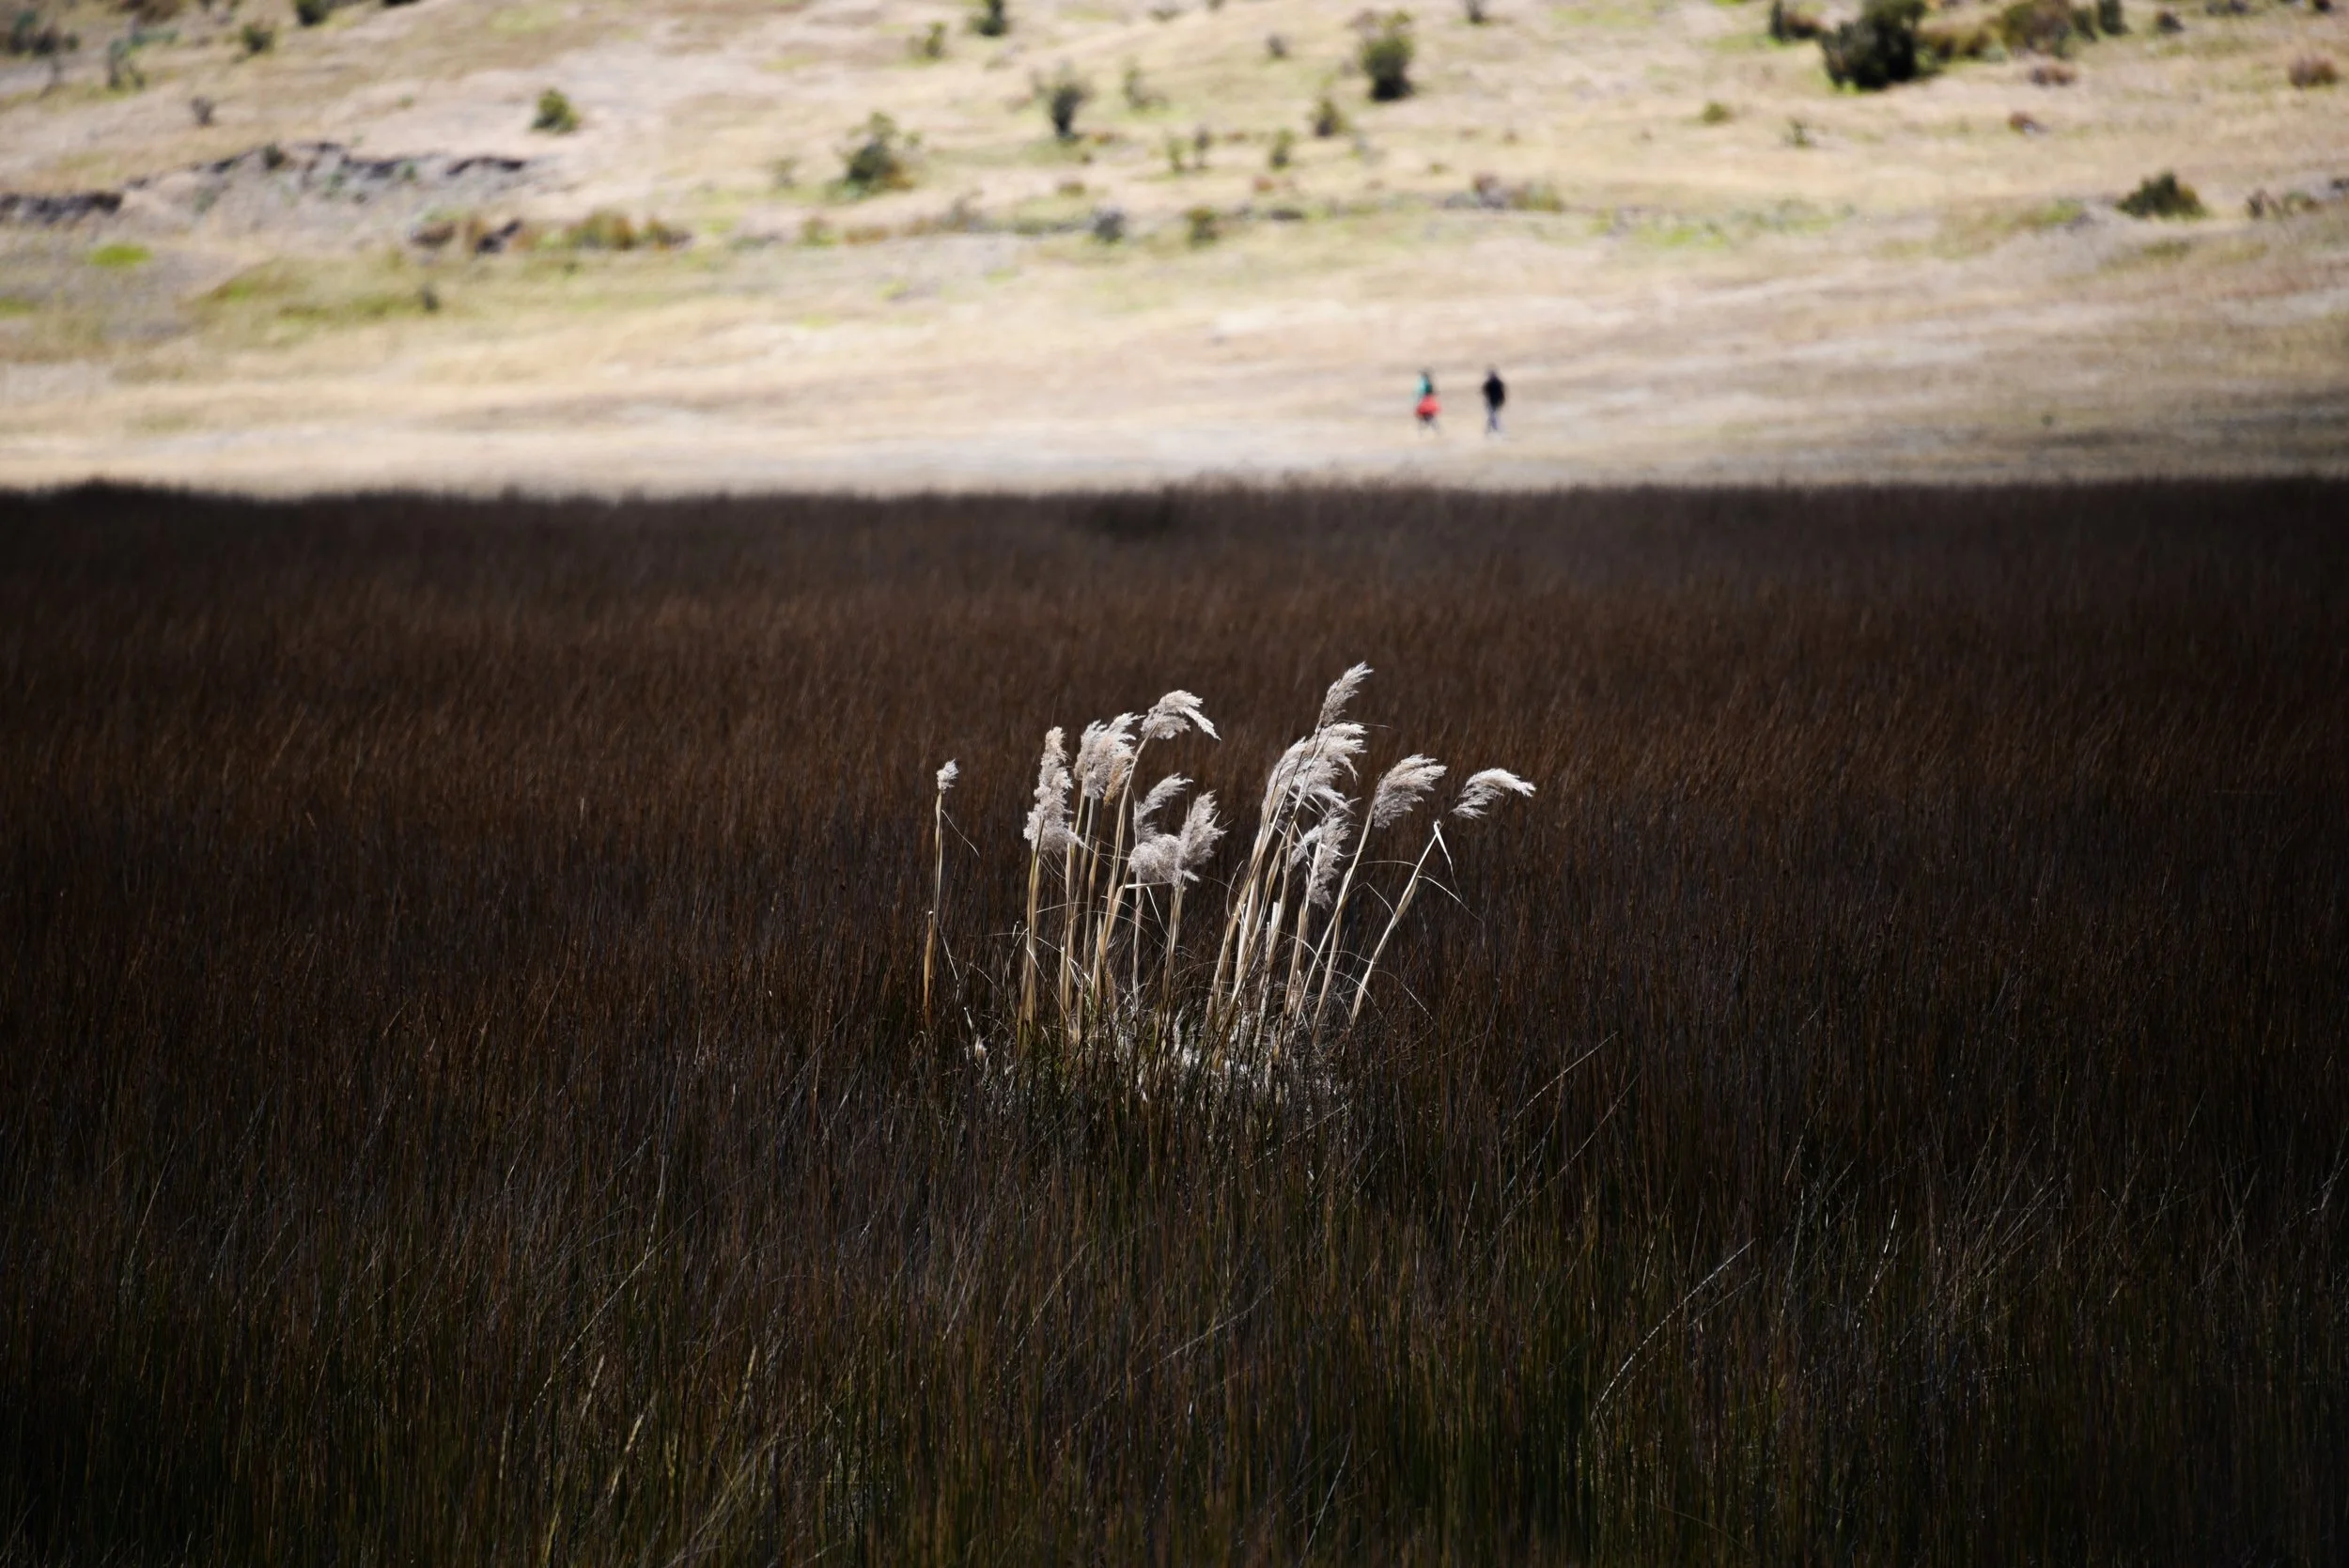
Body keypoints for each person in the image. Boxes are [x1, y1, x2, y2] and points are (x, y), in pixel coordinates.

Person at [1482, 366, 1506, 436]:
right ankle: (1492, 430)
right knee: (1492, 416)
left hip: (1495, 401)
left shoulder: (1497, 383)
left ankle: (1494, 430)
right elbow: (1485, 392)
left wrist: (1501, 400)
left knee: (1493, 416)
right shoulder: (1490, 383)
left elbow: (1501, 393)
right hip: (1491, 401)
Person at [1414, 369, 1440, 433]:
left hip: (1425, 402)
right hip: (1429, 401)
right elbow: (1435, 392)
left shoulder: (1424, 383)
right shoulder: (1429, 383)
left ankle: (1421, 431)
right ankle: (1435, 430)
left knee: (1427, 418)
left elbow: (1420, 393)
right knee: (1429, 417)